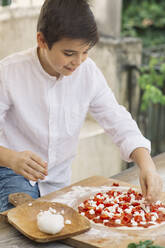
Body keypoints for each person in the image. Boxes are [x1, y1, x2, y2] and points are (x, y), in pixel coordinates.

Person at [0, 0, 162, 212]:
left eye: (85, 51)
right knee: (24, 232)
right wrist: (10, 157)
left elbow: (116, 118)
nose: (78, 61)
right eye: (69, 53)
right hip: (13, 174)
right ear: (41, 40)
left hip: (59, 182)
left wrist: (146, 164)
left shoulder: (88, 72)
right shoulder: (9, 72)